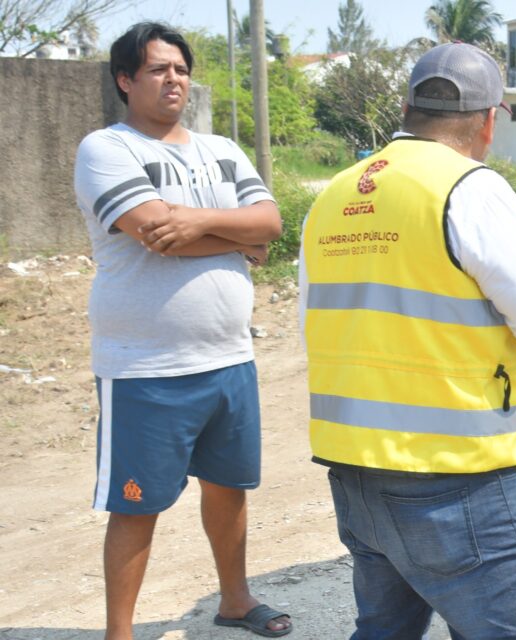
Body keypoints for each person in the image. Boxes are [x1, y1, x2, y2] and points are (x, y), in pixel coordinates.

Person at [299, 43, 516, 639]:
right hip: (455, 476)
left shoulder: (334, 195)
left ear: (406, 109)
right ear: (489, 121)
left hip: (356, 471)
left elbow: (317, 319)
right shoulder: (469, 188)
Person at [72, 22, 287, 640]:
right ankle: (119, 633)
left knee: (229, 487)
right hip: (145, 365)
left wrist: (197, 222)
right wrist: (234, 238)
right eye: (158, 69)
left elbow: (270, 223)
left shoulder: (221, 148)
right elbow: (155, 233)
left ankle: (236, 600)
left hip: (228, 357)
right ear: (125, 80)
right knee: (136, 503)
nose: (174, 80)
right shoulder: (106, 148)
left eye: (181, 69)